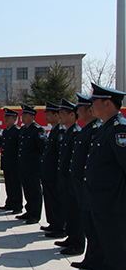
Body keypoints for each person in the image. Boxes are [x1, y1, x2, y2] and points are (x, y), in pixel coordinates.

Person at [84, 83, 126, 270]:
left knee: (118, 252)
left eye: (95, 102)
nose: (91, 106)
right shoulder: (106, 127)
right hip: (102, 201)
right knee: (109, 249)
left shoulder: (120, 129)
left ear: (108, 103)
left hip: (114, 203)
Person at [70, 93, 103, 270]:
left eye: (79, 109)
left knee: (96, 231)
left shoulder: (98, 129)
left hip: (95, 189)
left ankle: (96, 269)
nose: (77, 112)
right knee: (89, 227)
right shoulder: (88, 129)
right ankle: (90, 260)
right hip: (83, 185)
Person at [55, 99, 83, 256]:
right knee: (68, 210)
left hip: (72, 181)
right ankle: (71, 237)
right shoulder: (67, 132)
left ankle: (77, 243)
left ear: (72, 115)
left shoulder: (76, 133)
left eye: (62, 113)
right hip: (65, 179)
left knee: (75, 212)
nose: (59, 116)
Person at [16, 104, 46, 225]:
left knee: (34, 190)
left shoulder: (38, 130)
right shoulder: (23, 129)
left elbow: (42, 148)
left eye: (26, 115)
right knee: (27, 190)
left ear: (33, 117)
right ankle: (29, 211)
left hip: (34, 166)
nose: (23, 117)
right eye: (22, 115)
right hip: (24, 165)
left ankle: (35, 214)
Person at [41, 101, 66, 238]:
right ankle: (53, 223)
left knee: (57, 200)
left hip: (55, 173)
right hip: (48, 173)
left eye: (48, 114)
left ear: (56, 115)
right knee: (50, 200)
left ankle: (60, 227)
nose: (46, 117)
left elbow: (60, 154)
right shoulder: (53, 130)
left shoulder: (61, 131)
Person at [0, 108, 22, 214]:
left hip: (15, 163)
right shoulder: (6, 131)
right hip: (7, 162)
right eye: (5, 117)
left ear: (14, 119)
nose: (6, 119)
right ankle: (10, 203)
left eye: (8, 118)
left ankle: (17, 206)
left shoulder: (17, 131)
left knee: (15, 185)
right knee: (8, 184)